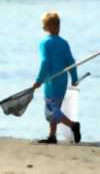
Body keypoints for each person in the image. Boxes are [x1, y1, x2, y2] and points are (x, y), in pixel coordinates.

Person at [33, 11, 81, 144]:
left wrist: (39, 80)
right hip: (62, 81)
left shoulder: (45, 43)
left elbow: (45, 62)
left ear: (45, 28)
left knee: (51, 112)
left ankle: (73, 125)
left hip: (51, 82)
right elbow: (71, 62)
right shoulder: (64, 43)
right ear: (58, 26)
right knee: (55, 109)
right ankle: (52, 136)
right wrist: (74, 78)